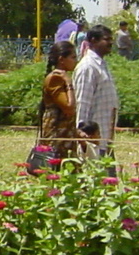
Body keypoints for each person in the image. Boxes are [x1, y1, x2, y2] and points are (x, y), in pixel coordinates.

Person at [29, 39, 82, 173]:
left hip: (64, 133)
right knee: (55, 171)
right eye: (73, 57)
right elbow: (69, 107)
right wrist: (69, 83)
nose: (76, 60)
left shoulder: (62, 76)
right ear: (61, 59)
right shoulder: (56, 78)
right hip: (56, 134)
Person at [73, 24, 120, 159]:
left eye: (111, 39)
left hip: (105, 138)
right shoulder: (88, 67)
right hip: (92, 144)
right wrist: (82, 140)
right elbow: (82, 104)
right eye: (107, 39)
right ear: (93, 40)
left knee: (107, 179)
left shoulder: (101, 65)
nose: (111, 43)